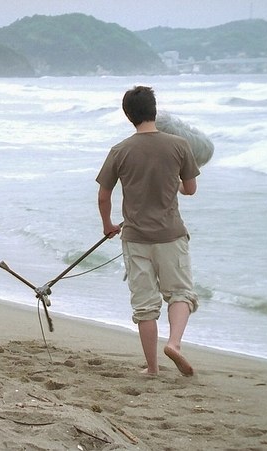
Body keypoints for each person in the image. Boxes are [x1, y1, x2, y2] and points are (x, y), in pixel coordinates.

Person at [96, 86, 200, 377]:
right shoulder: (179, 145)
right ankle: (174, 344)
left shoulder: (120, 150)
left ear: (128, 115)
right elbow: (190, 189)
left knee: (144, 306)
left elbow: (104, 196)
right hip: (171, 235)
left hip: (135, 238)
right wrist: (175, 184)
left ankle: (152, 368)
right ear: (155, 110)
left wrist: (107, 225)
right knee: (180, 293)